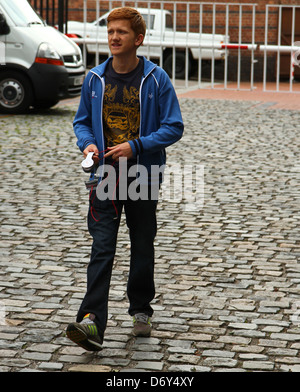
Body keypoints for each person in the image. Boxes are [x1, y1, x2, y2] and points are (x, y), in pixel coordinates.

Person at [66, 7, 184, 351]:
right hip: (104, 175)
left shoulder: (156, 79)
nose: (114, 37)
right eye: (111, 31)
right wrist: (87, 142)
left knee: (142, 242)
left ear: (139, 39)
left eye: (122, 32)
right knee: (102, 245)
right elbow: (81, 121)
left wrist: (137, 146)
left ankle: (140, 309)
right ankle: (91, 322)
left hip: (143, 174)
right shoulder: (95, 78)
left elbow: (173, 126)